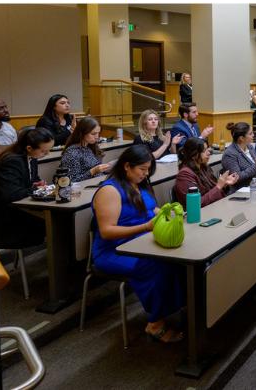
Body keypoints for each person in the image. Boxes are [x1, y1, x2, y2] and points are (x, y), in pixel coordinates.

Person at [91, 144, 185, 343]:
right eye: (142, 169)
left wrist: (168, 214)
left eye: (148, 169)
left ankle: (180, 307)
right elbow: (107, 231)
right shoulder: (110, 190)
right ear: (127, 166)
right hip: (115, 251)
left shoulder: (138, 185)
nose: (146, 173)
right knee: (157, 265)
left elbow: (152, 209)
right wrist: (145, 227)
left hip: (140, 242)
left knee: (178, 259)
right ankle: (155, 324)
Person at [0, 127, 53, 249]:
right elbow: (11, 194)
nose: (47, 154)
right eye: (44, 151)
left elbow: (32, 180)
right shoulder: (12, 161)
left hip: (19, 208)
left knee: (56, 222)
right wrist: (35, 189)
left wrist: (38, 184)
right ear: (29, 148)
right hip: (6, 218)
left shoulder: (31, 157)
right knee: (53, 224)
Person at [174, 137, 238, 208]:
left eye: (207, 149)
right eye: (204, 151)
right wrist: (219, 186)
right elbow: (196, 204)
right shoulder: (184, 175)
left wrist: (224, 184)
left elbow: (212, 191)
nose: (208, 153)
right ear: (193, 155)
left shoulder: (203, 167)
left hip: (212, 208)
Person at [221, 122, 256, 190]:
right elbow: (237, 178)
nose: (253, 135)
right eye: (250, 133)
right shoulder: (230, 154)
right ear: (241, 138)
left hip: (255, 186)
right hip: (239, 192)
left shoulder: (250, 147)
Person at [61, 117, 110, 182]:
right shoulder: (72, 152)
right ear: (82, 133)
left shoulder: (90, 146)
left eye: (98, 133)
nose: (97, 137)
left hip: (96, 183)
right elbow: (72, 181)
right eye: (93, 134)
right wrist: (93, 171)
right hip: (84, 189)